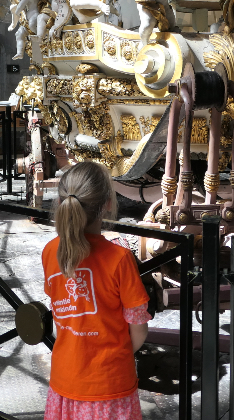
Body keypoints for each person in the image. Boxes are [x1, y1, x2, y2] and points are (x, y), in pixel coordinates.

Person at [42, 162, 151, 420]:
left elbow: (59, 315)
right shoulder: (120, 259)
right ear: (108, 204)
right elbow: (138, 328)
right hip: (110, 387)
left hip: (65, 380)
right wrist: (116, 356)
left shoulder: (50, 252)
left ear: (61, 202)